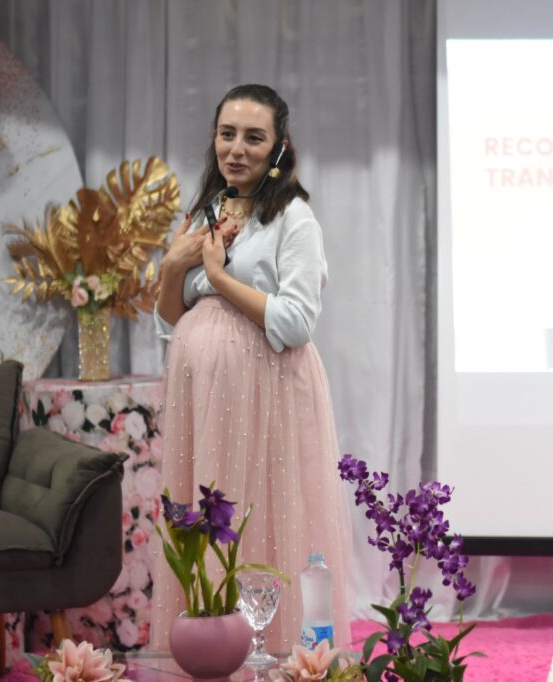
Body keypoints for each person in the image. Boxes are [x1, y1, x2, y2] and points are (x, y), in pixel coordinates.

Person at [151, 84, 352, 653]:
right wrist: (173, 266)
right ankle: (210, 645)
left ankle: (270, 647)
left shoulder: (294, 218)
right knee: (208, 521)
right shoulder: (206, 212)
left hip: (267, 394)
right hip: (203, 395)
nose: (236, 149)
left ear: (279, 148)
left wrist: (219, 280)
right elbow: (169, 322)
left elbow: (294, 322)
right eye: (227, 134)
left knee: (263, 512)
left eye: (253, 137)